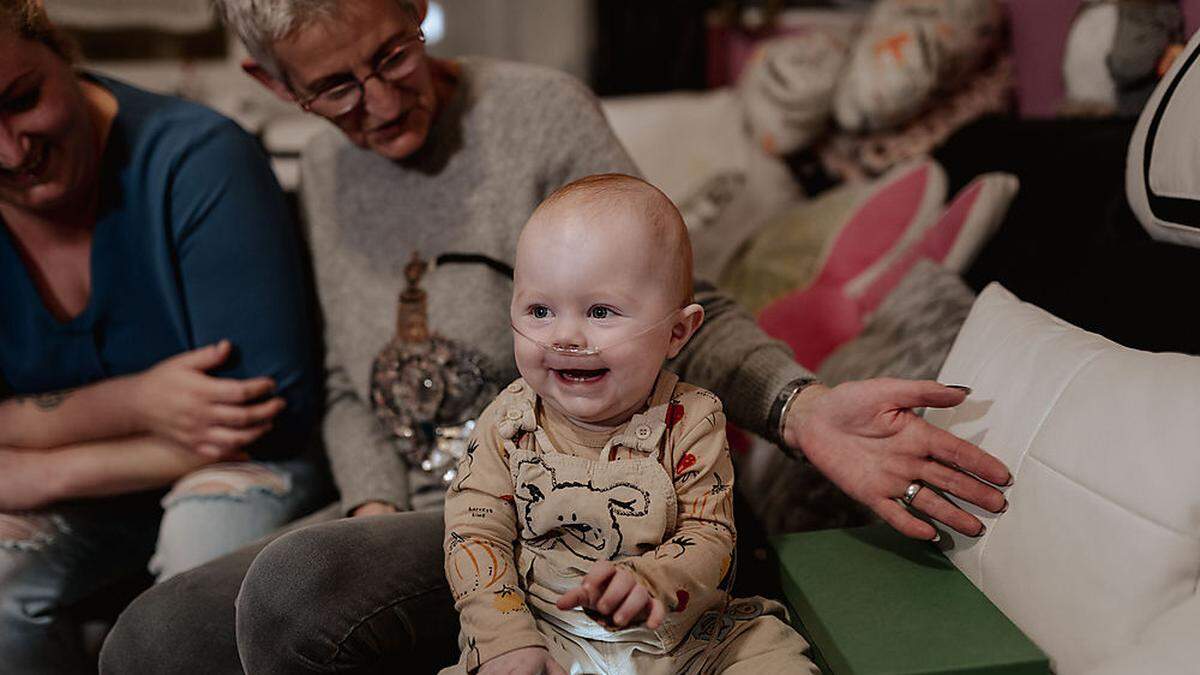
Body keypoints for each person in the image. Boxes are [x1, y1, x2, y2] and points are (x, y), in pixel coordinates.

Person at [101, 1, 1012, 672]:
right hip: (418, 510)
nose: (379, 102)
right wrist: (374, 508)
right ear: (274, 85)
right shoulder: (332, 170)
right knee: (146, 642)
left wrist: (800, 409)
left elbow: (677, 306)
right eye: (336, 86)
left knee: (302, 588)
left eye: (393, 53)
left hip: (557, 508)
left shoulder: (535, 113)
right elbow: (348, 381)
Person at [0, 2, 326, 672]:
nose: (12, 149)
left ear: (61, 51)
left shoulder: (195, 155)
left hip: (250, 461)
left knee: (191, 576)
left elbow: (260, 410)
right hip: (99, 480)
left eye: (22, 100)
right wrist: (136, 402)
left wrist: (32, 465)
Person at [443, 173, 818, 674]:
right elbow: (474, 535)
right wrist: (506, 639)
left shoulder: (692, 418)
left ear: (677, 332)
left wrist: (650, 580)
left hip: (687, 639)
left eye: (600, 311)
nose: (566, 336)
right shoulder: (509, 421)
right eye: (539, 310)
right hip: (548, 636)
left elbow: (710, 535)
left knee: (773, 656)